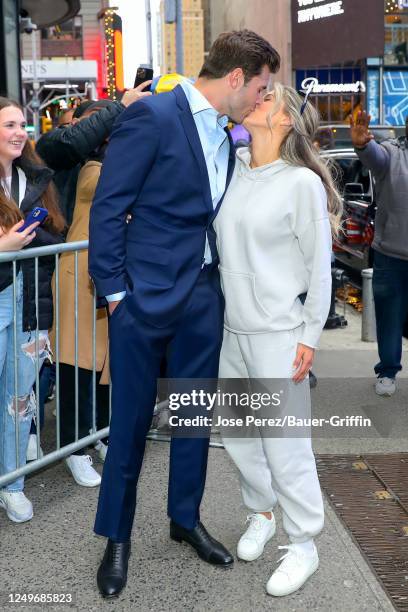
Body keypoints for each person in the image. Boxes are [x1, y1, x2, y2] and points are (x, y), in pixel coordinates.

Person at [89, 29, 280, 599]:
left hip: (202, 297)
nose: (261, 100)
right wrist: (117, 295)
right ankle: (116, 538)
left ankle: (184, 519)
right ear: (236, 78)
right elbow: (109, 208)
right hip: (142, 301)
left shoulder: (228, 132)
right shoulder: (153, 116)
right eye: (261, 87)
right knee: (130, 426)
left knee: (195, 418)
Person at [214, 83, 341, 596]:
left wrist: (310, 333)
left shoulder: (301, 184)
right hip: (232, 329)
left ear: (287, 120)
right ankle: (261, 513)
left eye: (269, 98)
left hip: (279, 334)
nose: (257, 100)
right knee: (240, 437)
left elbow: (319, 268)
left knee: (286, 446)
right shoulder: (234, 167)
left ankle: (304, 544)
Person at [0, 97, 65, 523]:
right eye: (9, 124)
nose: (19, 132)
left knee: (20, 398)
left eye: (22, 124)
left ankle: (14, 483)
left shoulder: (35, 177)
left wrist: (25, 237)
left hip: (31, 300)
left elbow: (56, 232)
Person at [50, 100, 115, 487]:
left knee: (110, 365)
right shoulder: (68, 161)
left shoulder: (122, 155)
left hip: (111, 273)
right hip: (78, 273)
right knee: (76, 365)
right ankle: (74, 448)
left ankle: (104, 435)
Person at [350, 111, 408, 397]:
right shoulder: (392, 152)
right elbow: (373, 157)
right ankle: (387, 371)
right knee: (389, 317)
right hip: (391, 255)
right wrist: (362, 145)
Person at [36, 84, 151, 225]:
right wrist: (120, 108)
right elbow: (74, 141)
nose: (106, 126)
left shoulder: (117, 153)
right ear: (75, 122)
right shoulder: (53, 143)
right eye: (96, 118)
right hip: (62, 238)